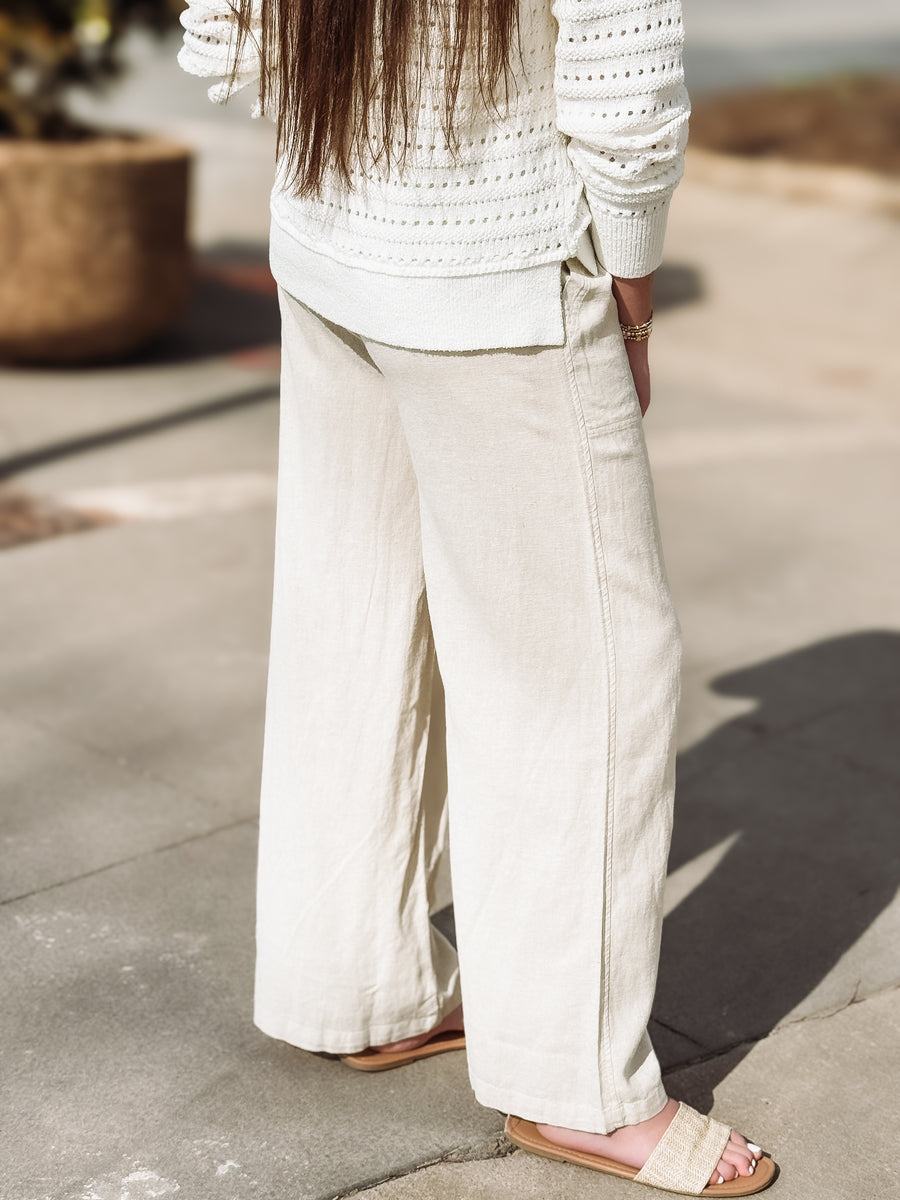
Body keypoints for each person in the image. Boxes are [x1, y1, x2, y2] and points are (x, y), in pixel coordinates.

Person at [178, 1, 776, 1194]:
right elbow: (624, 81)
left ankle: (349, 982)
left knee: (356, 615)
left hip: (329, 232)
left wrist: (355, 152)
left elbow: (224, 28)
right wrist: (635, 287)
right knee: (589, 670)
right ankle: (579, 1088)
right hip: (497, 274)